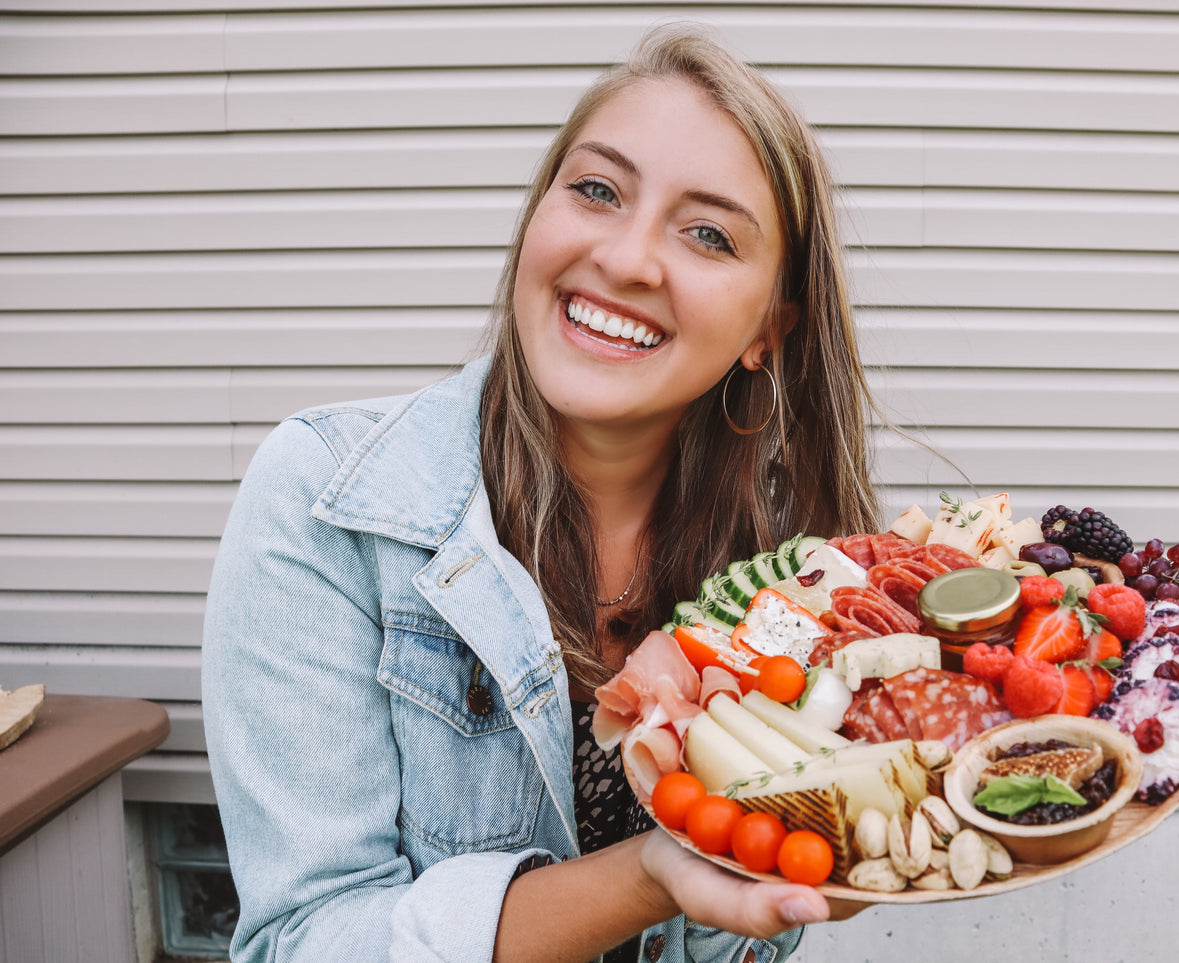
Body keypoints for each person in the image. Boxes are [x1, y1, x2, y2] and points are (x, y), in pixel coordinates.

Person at [203, 24, 878, 963]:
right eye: (596, 189)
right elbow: (305, 939)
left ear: (770, 327)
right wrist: (649, 874)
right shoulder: (325, 501)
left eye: (708, 234)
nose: (629, 258)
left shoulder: (783, 576)